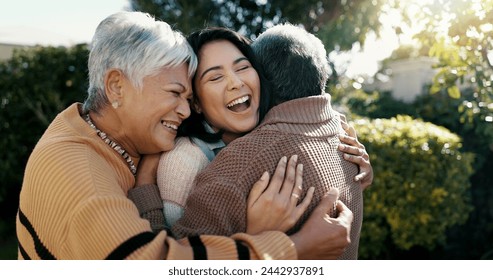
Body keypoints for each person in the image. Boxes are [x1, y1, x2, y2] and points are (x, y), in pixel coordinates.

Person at [16, 11, 353, 260]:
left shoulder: (111, 138)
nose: (185, 110)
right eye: (176, 93)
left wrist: (335, 133)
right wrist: (292, 246)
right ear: (117, 86)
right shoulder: (77, 172)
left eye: (187, 97)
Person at [170, 24, 365, 260]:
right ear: (196, 102)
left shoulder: (342, 141)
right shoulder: (184, 162)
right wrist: (259, 239)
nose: (235, 83)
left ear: (263, 77)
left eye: (243, 67)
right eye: (216, 76)